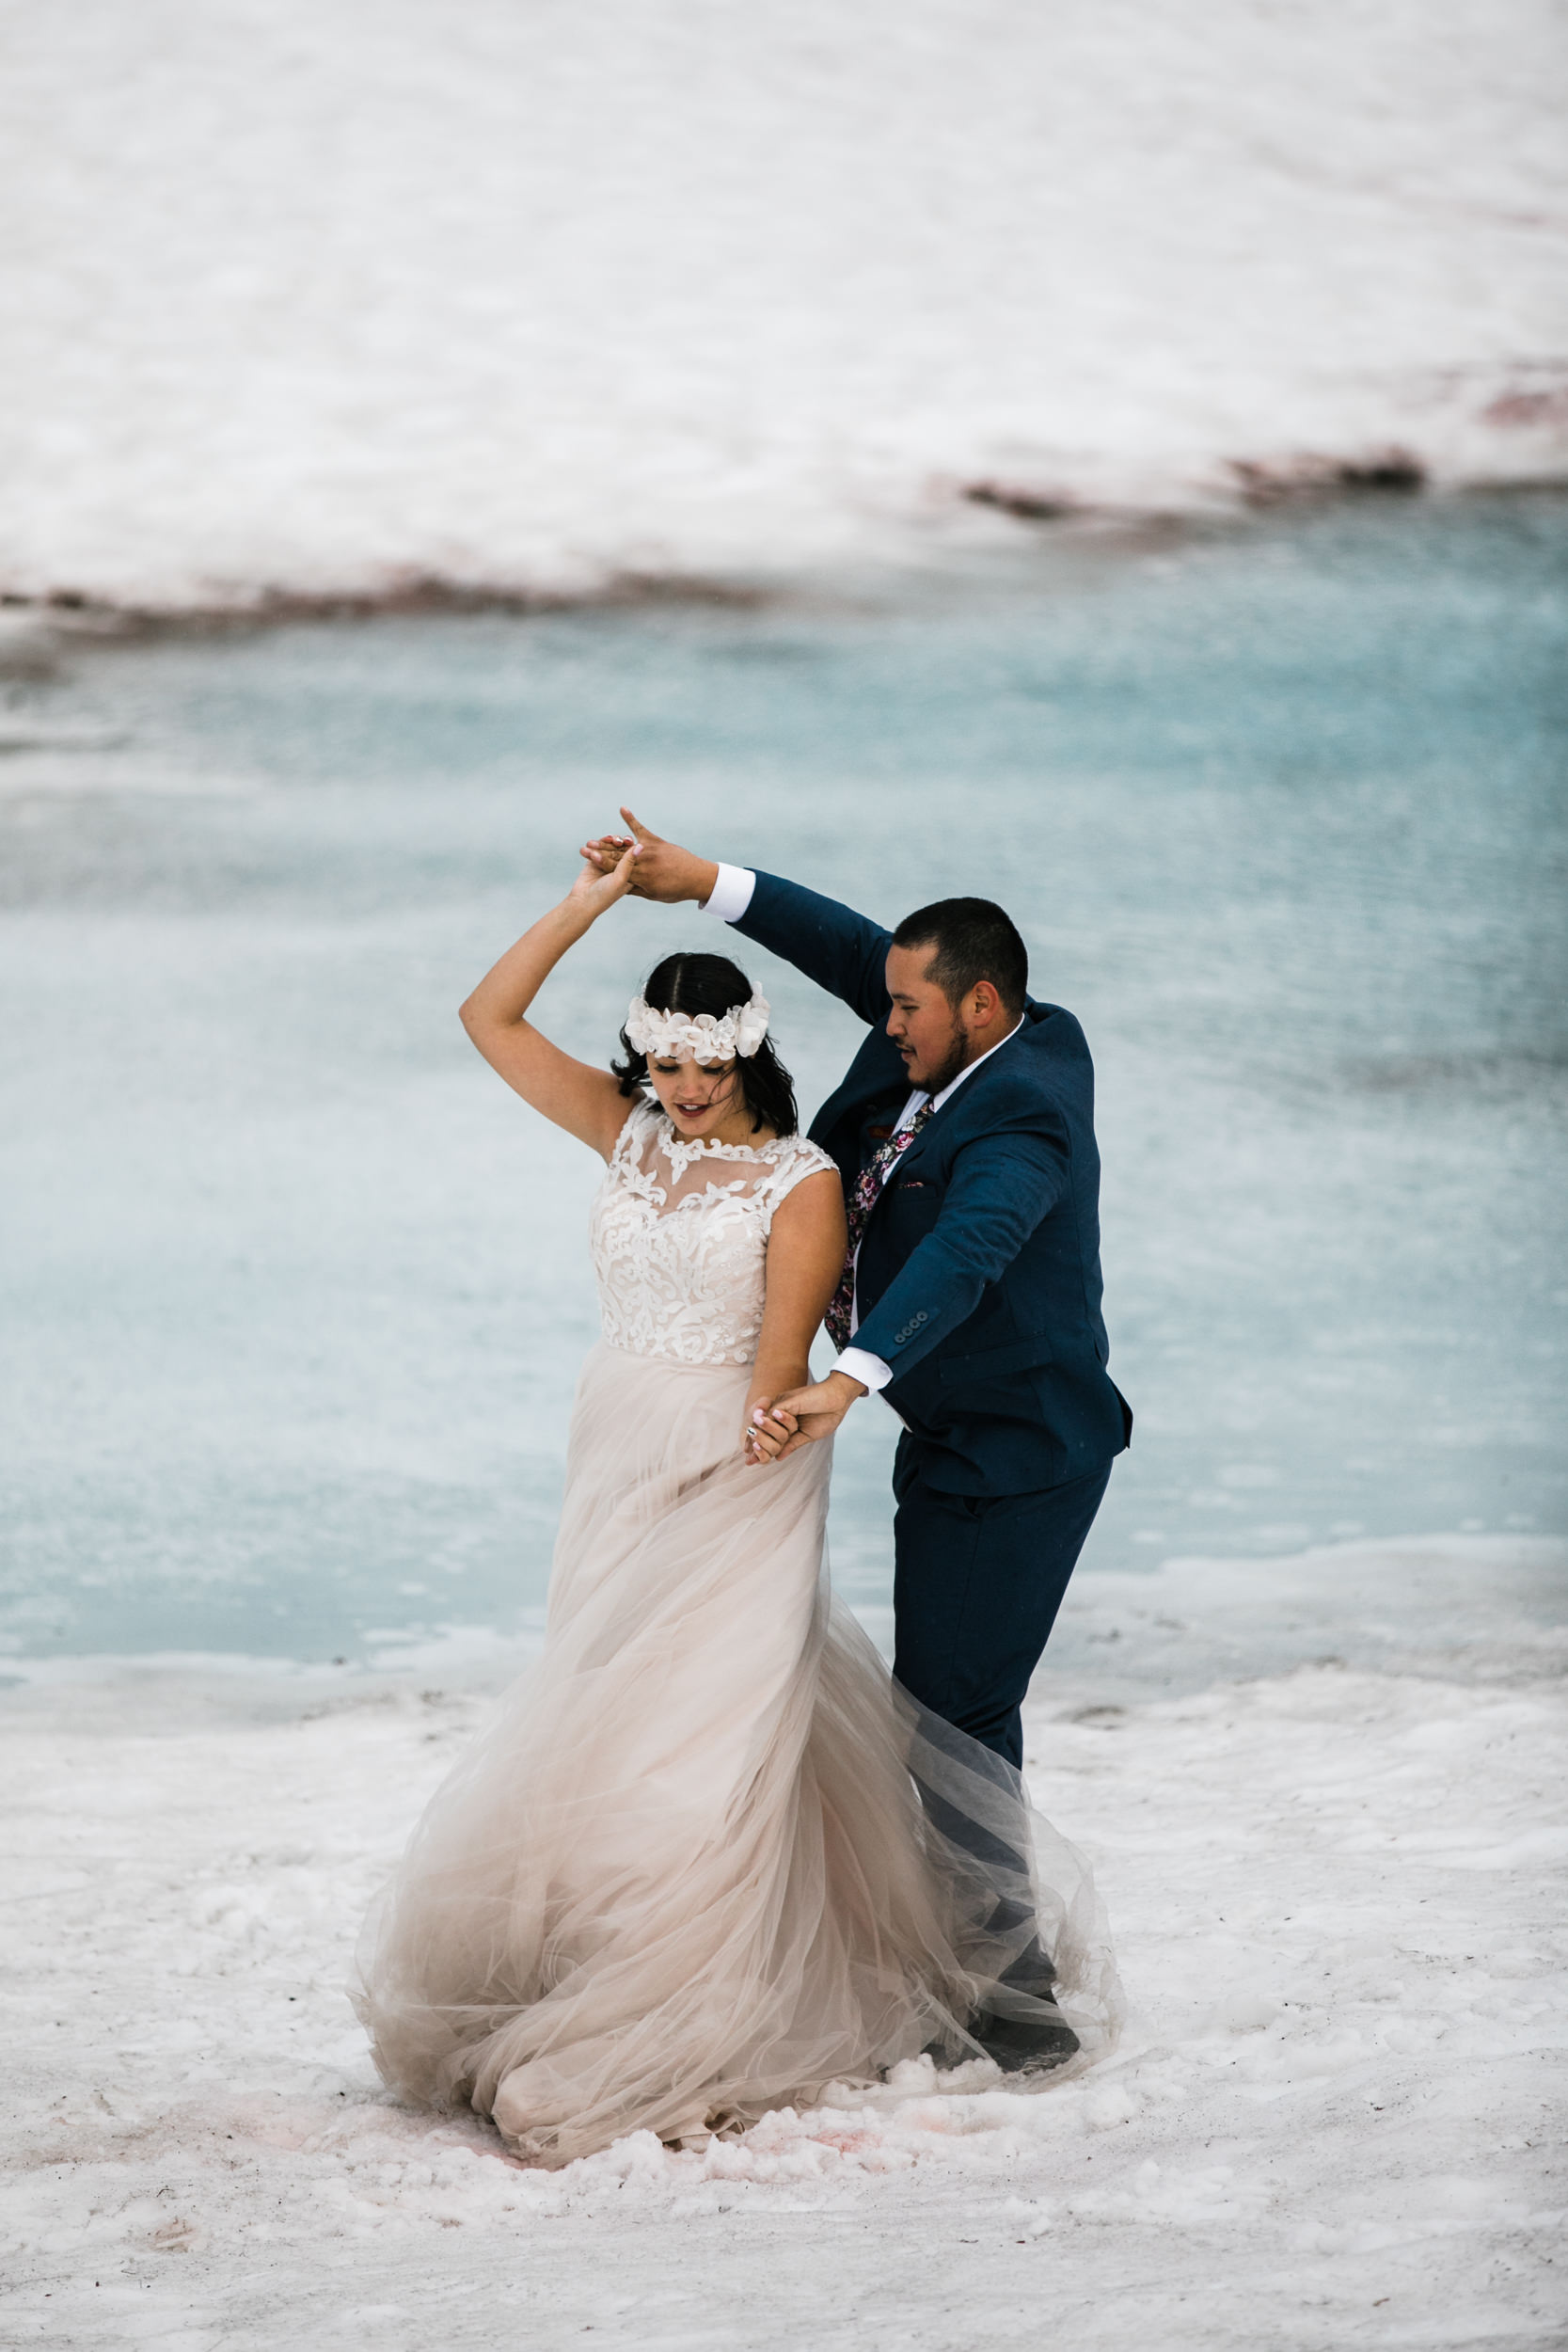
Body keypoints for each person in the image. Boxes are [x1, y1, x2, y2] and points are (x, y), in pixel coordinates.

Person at [356, 842, 1117, 2169]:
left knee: (855, 1722)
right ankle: (593, 1957)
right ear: (644, 1061)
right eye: (667, 1063)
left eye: (709, 1065)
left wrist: (849, 1381)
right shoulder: (642, 1130)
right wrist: (638, 887)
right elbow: (490, 1017)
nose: (688, 1088)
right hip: (617, 1448)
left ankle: (1001, 1996)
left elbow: (960, 1253)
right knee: (605, 1712)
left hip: (864, 1454)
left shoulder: (910, 1144)